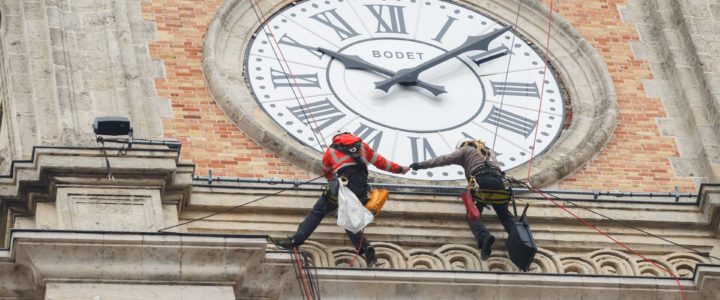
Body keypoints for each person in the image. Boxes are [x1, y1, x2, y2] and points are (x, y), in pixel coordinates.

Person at [275, 131, 408, 267]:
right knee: (347, 216)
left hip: (343, 186)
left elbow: (326, 171)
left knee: (318, 211)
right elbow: (381, 162)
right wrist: (400, 169)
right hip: (360, 188)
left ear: (336, 139)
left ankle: (294, 241)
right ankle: (366, 249)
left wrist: (331, 178)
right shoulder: (362, 146)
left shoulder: (330, 151)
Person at [409, 139, 515, 260]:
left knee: (473, 215)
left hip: (480, 181)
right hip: (498, 182)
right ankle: (517, 236)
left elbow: (443, 159)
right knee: (505, 214)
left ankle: (484, 238)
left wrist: (421, 165)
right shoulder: (488, 151)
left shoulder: (465, 150)